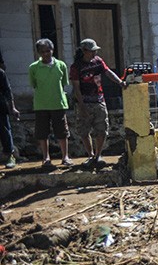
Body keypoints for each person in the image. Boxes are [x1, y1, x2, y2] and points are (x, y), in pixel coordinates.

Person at [70, 38, 126, 168]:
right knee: (84, 130)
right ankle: (90, 155)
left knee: (102, 129)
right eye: (92, 51)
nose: (94, 53)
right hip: (84, 101)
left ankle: (98, 155)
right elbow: (76, 88)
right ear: (84, 51)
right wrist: (82, 105)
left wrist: (120, 82)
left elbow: (108, 72)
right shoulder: (76, 67)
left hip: (99, 100)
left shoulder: (98, 61)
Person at [28, 38, 71, 167]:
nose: (46, 54)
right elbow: (33, 84)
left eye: (48, 51)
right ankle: (46, 158)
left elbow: (64, 83)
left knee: (62, 131)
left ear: (52, 50)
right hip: (41, 104)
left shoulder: (61, 65)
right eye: (43, 51)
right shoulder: (34, 68)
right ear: (38, 53)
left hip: (58, 103)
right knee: (42, 132)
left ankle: (65, 156)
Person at [0, 66, 20, 168]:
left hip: (0, 107)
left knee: (4, 131)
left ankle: (10, 156)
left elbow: (7, 91)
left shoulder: (0, 73)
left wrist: (13, 108)